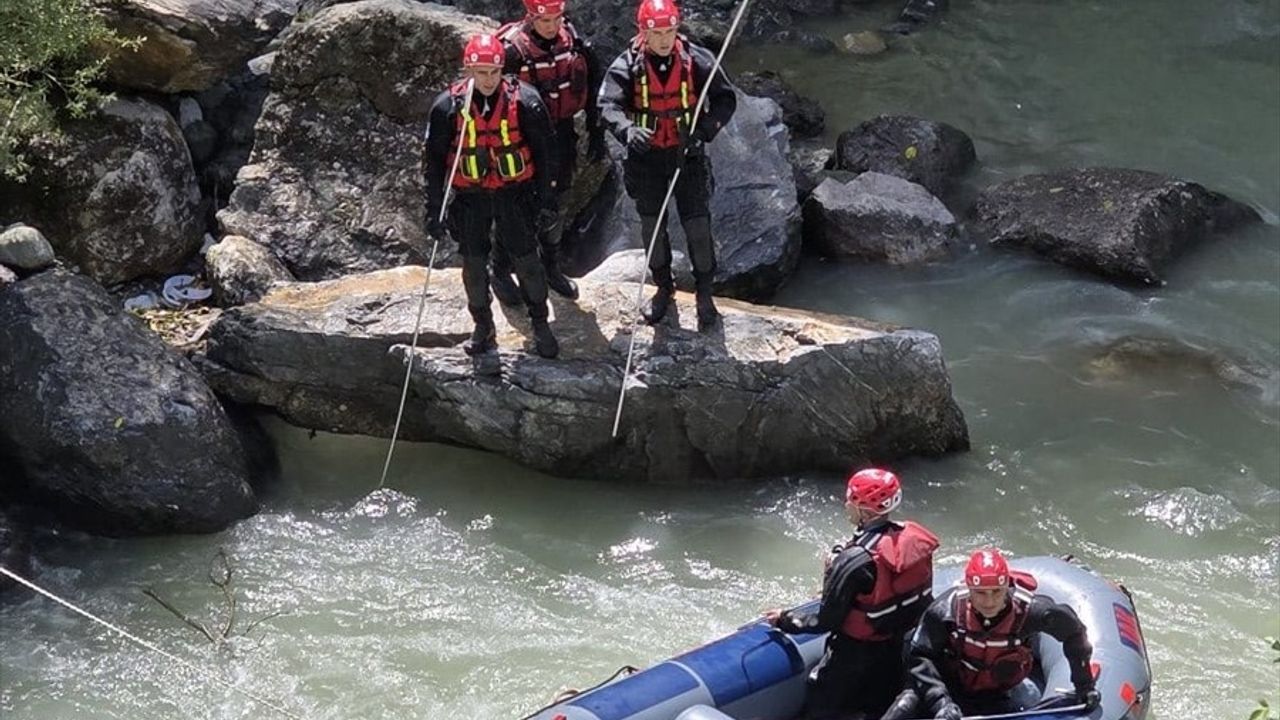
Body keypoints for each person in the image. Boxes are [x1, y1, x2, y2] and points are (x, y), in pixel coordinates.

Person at [597, 0, 737, 331]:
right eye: (656, 33)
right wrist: (627, 129)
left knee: (698, 227)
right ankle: (663, 287)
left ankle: (705, 292)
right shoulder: (627, 65)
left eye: (669, 32)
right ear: (643, 33)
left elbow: (725, 99)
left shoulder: (697, 60)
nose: (663, 40)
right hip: (646, 159)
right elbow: (606, 104)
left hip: (687, 156)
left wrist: (704, 131)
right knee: (652, 227)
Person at [422, 33, 561, 358]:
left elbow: (546, 154)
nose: (488, 79)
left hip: (514, 193)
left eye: (494, 72)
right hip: (471, 196)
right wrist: (433, 208)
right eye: (481, 72)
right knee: (473, 266)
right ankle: (483, 325)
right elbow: (434, 162)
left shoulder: (525, 101)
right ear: (468, 70)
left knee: (527, 261)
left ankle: (540, 322)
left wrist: (547, 200)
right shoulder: (447, 107)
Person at [764, 468, 940, 719]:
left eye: (850, 500)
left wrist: (785, 619)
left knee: (820, 702)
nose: (846, 504)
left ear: (864, 511)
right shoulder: (912, 541)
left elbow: (824, 620)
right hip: (897, 648)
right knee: (879, 705)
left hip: (855, 654)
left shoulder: (855, 560)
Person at [488, 0, 605, 306]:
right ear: (530, 17)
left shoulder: (572, 40)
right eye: (545, 20)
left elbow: (593, 83)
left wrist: (596, 130)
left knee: (558, 199)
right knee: (517, 205)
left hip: (561, 133)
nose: (552, 26)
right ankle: (500, 269)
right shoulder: (513, 51)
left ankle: (550, 265)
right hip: (521, 139)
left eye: (556, 19)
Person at [907, 548, 1103, 719]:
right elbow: (919, 655)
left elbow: (1074, 633)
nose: (989, 602)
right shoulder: (945, 611)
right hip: (953, 686)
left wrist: (1084, 686)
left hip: (1004, 692)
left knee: (1026, 702)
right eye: (981, 593)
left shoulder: (1032, 611)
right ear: (969, 589)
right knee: (905, 705)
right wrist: (941, 703)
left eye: (996, 592)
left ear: (1007, 587)